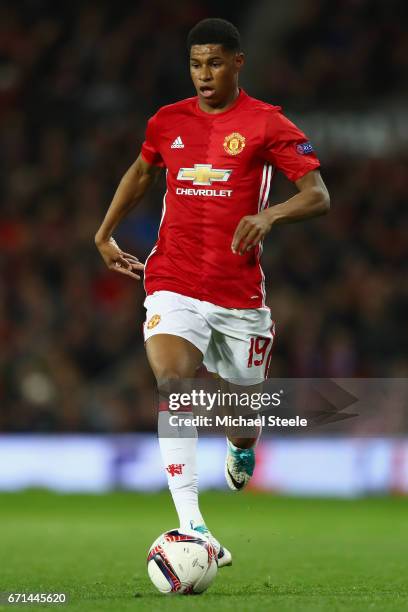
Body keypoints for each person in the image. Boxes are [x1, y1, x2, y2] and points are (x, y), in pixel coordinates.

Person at [95, 18, 330, 566]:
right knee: (173, 383)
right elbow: (140, 171)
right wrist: (103, 233)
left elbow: (318, 195)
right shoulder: (167, 121)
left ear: (238, 63)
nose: (204, 74)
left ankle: (241, 445)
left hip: (238, 296)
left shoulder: (266, 123)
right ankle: (194, 526)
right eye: (197, 63)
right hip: (173, 279)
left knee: (241, 416)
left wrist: (270, 215)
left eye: (215, 63)